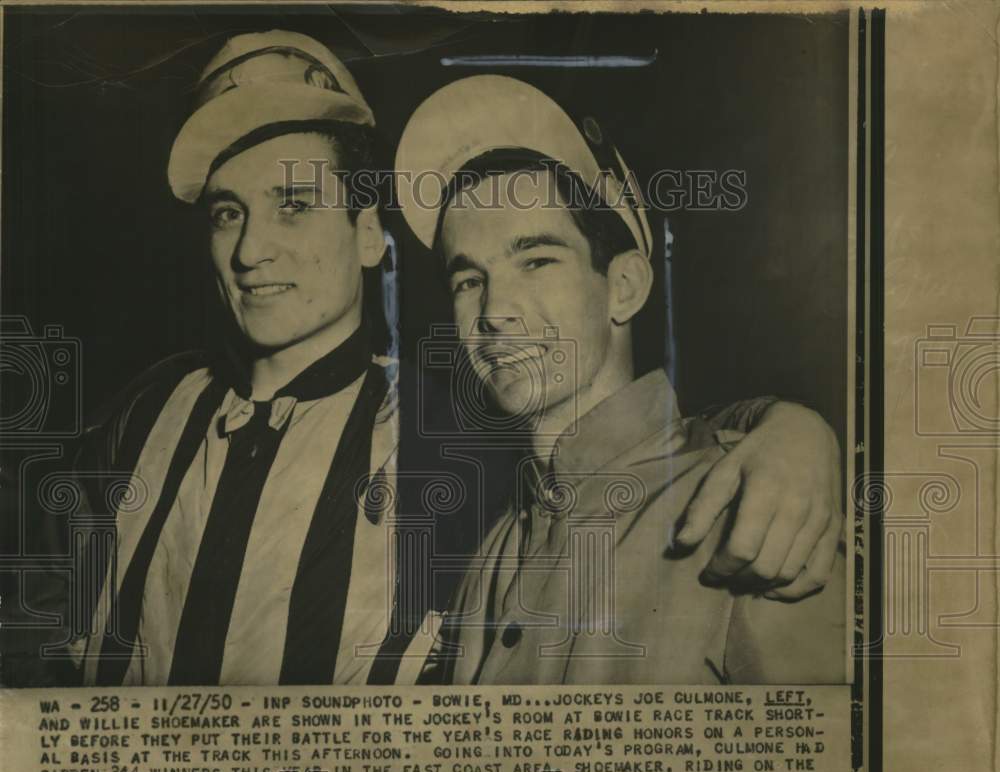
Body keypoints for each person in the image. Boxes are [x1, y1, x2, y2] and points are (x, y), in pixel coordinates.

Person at [14, 33, 842, 688]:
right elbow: (34, 579)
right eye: (228, 214)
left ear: (370, 234)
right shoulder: (148, 409)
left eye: (294, 204)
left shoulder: (450, 434)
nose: (252, 250)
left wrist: (793, 431)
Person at [395, 75, 847, 684]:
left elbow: (830, 770)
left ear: (625, 286)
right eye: (469, 279)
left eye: (536, 260)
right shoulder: (492, 552)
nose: (495, 310)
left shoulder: (750, 508)